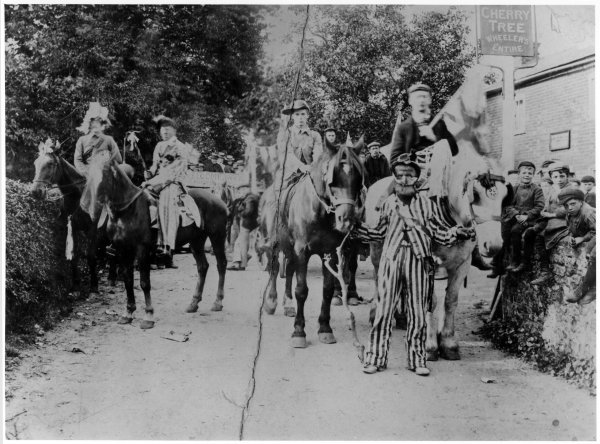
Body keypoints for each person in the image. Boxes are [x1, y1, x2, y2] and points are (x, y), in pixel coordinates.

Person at [352, 154, 474, 376]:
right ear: (395, 178)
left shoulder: (427, 205)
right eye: (400, 175)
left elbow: (437, 233)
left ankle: (417, 360)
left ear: (417, 179)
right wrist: (355, 229)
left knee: (418, 313)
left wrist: (456, 232)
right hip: (391, 260)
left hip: (418, 261)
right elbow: (379, 233)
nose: (405, 179)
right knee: (383, 312)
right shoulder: (388, 204)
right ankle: (375, 358)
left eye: (410, 175)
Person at [143, 116, 198, 267]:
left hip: (173, 182)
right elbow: (155, 165)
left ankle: (167, 248)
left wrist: (155, 182)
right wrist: (149, 173)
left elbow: (175, 171)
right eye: (162, 130)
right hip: (158, 180)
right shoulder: (159, 145)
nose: (165, 132)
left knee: (167, 206)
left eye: (167, 129)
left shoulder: (180, 147)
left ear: (174, 130)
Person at [487, 161, 544, 277]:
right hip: (516, 217)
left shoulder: (537, 189)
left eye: (530, 173)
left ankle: (516, 260)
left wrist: (527, 215)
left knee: (515, 231)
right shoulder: (514, 188)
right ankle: (497, 263)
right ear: (519, 174)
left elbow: (539, 206)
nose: (527, 175)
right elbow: (508, 205)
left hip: (528, 219)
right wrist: (516, 214)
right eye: (524, 173)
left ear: (533, 175)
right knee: (503, 231)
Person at [529, 162, 575, 286]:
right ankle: (529, 266)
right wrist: (544, 211)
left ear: (567, 176)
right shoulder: (553, 188)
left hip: (566, 220)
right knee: (532, 231)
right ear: (551, 178)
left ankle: (545, 272)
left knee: (542, 236)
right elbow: (547, 203)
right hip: (551, 218)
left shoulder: (571, 189)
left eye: (562, 176)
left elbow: (569, 208)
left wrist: (551, 215)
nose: (559, 179)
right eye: (555, 177)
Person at [558, 188, 596, 304]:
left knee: (592, 256)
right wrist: (571, 236)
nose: (569, 208)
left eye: (573, 203)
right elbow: (570, 228)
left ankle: (588, 289)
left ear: (581, 201)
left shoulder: (589, 213)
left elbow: (595, 232)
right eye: (566, 205)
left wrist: (583, 239)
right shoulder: (570, 213)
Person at [74, 102, 122, 177]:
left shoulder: (108, 140)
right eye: (92, 122)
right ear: (89, 124)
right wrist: (86, 173)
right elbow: (77, 160)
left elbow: (118, 159)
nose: (95, 124)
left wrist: (109, 169)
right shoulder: (82, 140)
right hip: (87, 176)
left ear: (102, 124)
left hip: (105, 175)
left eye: (98, 122)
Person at [227, 190, 260, 271]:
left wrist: (241, 213)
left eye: (242, 189)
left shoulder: (250, 198)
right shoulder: (253, 198)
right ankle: (241, 263)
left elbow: (248, 211)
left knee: (239, 243)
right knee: (241, 243)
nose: (241, 192)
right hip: (251, 223)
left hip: (247, 223)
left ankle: (237, 264)